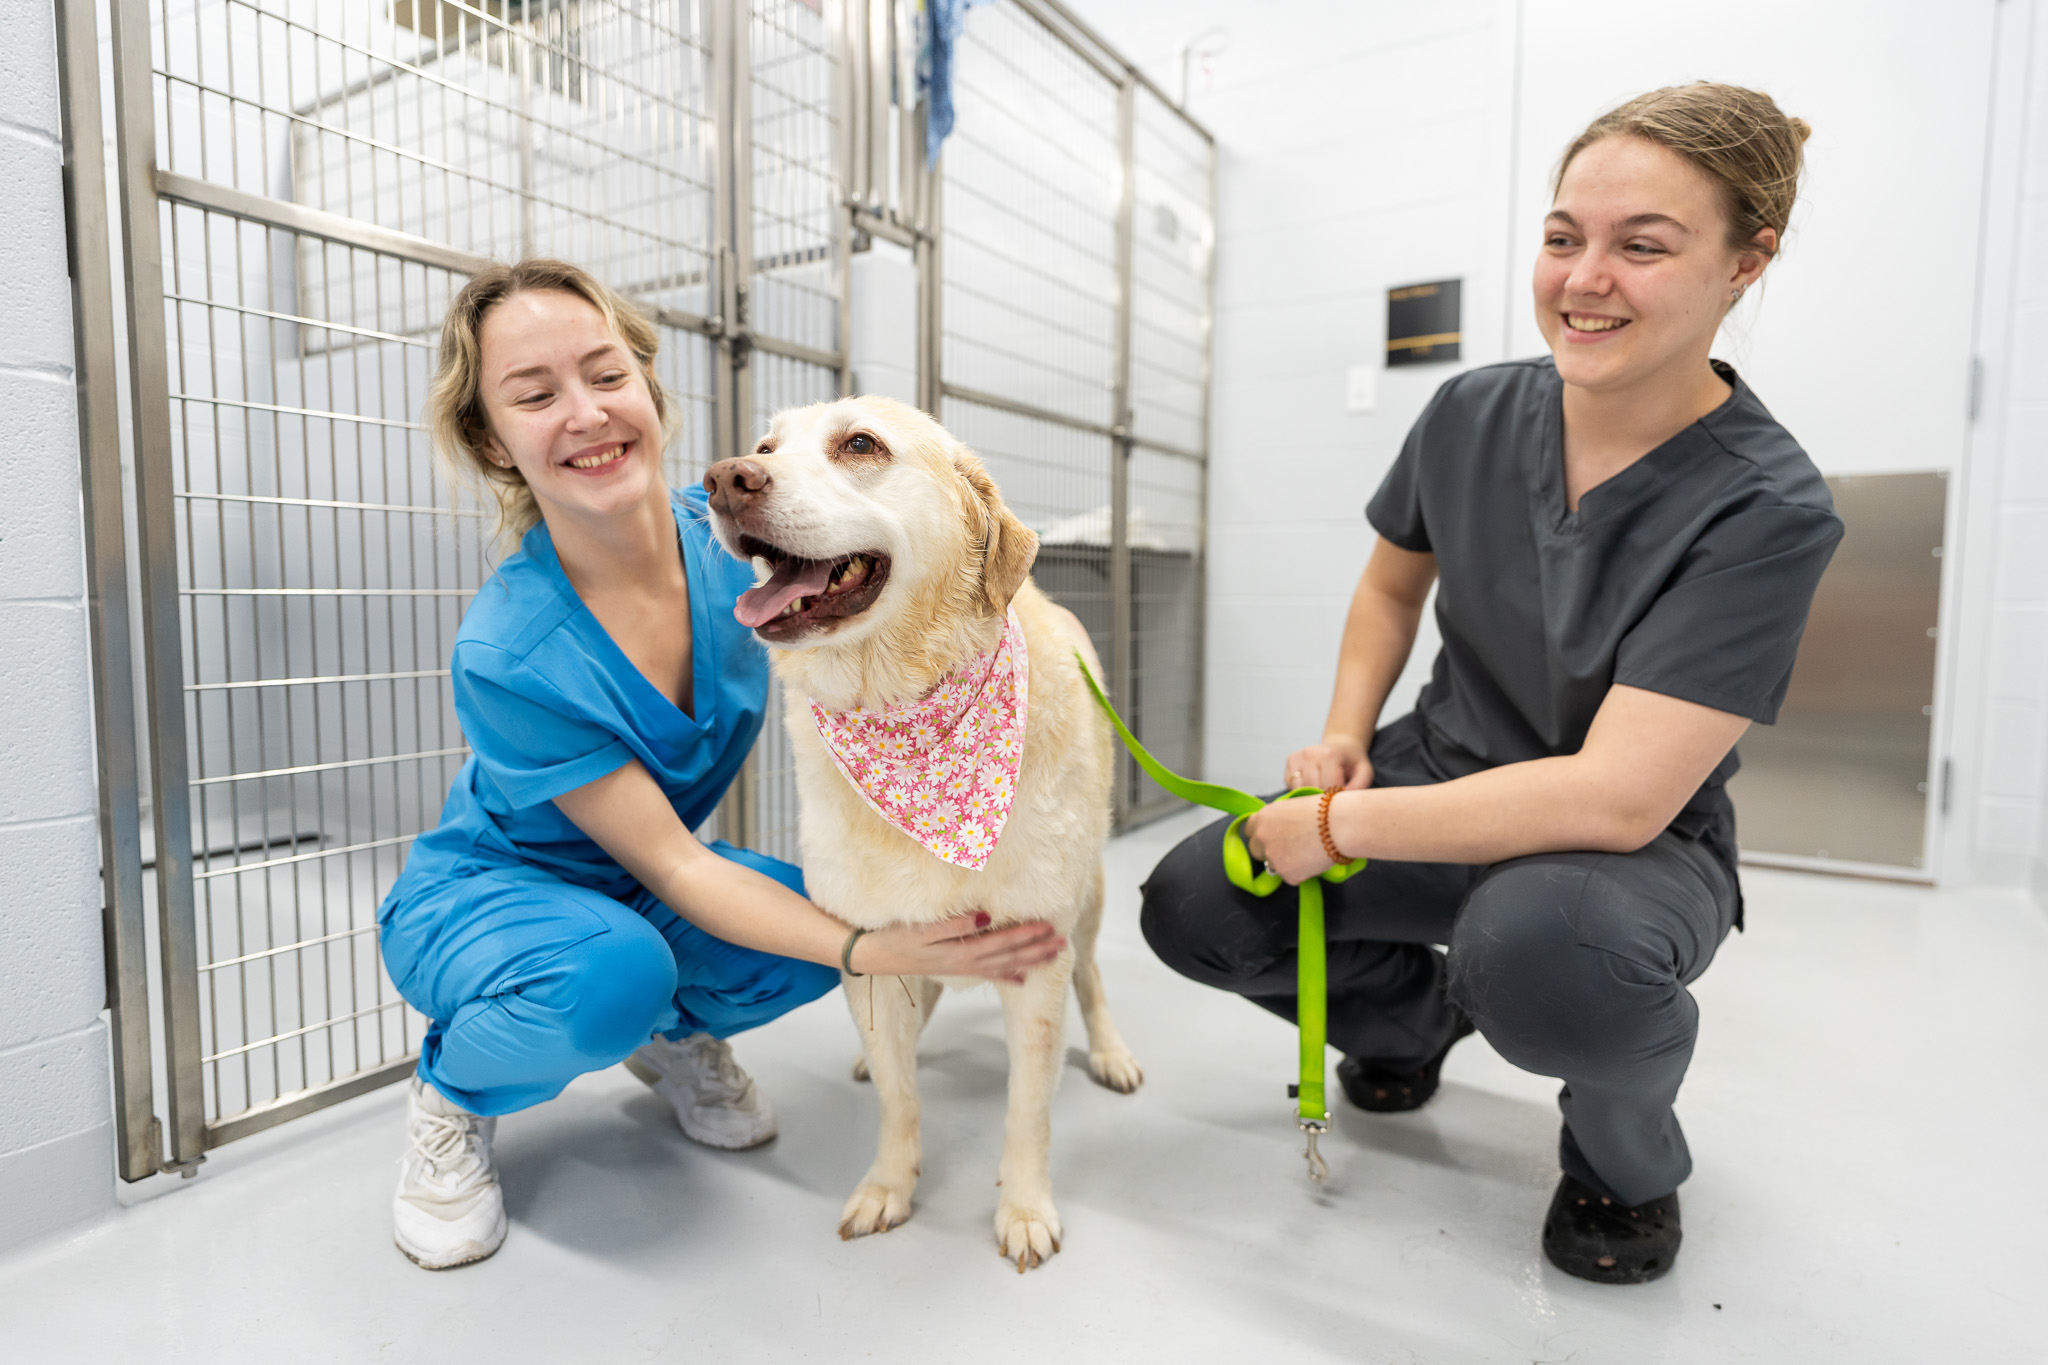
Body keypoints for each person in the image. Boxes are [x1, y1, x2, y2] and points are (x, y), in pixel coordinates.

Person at [1139, 84, 1839, 1284]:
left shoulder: (1765, 509)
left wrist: (1339, 823)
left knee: (1542, 955)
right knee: (1195, 905)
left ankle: (1621, 1165)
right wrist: (1341, 736)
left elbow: (1618, 797)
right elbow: (1385, 589)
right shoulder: (1470, 410)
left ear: (1744, 264)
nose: (1582, 278)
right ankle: (1413, 1019)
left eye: (1642, 246)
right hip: (1434, 769)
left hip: (1621, 851)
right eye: (1563, 237)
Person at [377, 259, 1065, 1270]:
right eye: (534, 394)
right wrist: (882, 952)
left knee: (804, 927)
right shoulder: (507, 650)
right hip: (497, 898)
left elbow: (908, 623)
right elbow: (681, 867)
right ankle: (452, 1094)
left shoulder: (746, 554)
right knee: (644, 966)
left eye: (605, 375)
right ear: (492, 439)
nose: (584, 413)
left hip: (647, 891)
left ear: (648, 389)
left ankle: (668, 1033)